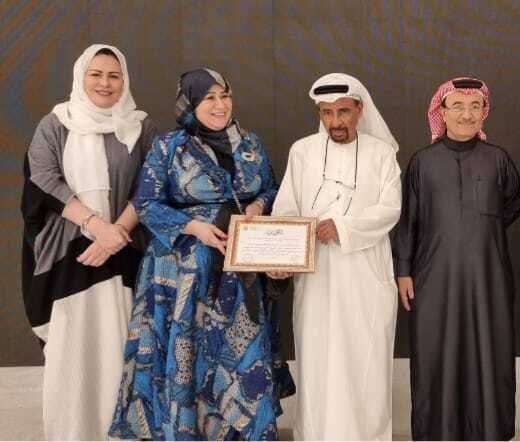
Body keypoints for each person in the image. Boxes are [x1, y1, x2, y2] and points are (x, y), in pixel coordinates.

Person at [109, 68, 295, 441]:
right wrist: (194, 227)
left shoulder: (250, 143)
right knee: (189, 357)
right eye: (209, 97)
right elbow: (146, 204)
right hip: (184, 275)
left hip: (240, 274)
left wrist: (258, 206)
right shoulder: (169, 146)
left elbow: (274, 188)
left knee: (242, 360)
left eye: (225, 95)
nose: (220, 104)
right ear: (190, 103)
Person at [20, 44, 157, 440]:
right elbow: (43, 178)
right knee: (74, 351)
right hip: (70, 252)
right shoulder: (55, 124)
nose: (105, 83)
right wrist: (97, 227)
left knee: (120, 346)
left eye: (114, 75)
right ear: (81, 77)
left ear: (124, 81)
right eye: (96, 74)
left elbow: (152, 183)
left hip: (124, 251)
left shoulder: (140, 126)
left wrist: (116, 234)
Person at [270, 73, 401, 440]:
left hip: (366, 275)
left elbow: (390, 209)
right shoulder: (302, 151)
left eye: (343, 112)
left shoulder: (382, 154)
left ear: (359, 110)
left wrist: (342, 227)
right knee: (318, 358)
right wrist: (281, 257)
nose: (336, 122)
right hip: (316, 277)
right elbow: (286, 209)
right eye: (327, 113)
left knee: (365, 359)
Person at [393, 77, 520, 440]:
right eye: (458, 106)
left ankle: (489, 430)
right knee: (436, 350)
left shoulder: (497, 159)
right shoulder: (422, 163)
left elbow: (513, 203)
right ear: (442, 112)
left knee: (491, 349)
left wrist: (482, 233)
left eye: (474, 107)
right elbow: (408, 221)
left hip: (489, 276)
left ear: (484, 112)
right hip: (434, 277)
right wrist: (404, 271)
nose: (467, 115)